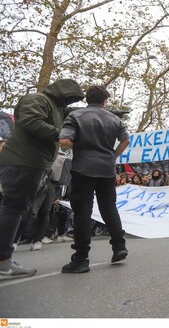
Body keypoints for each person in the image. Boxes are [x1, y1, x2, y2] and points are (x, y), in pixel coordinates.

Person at [0, 78, 84, 280]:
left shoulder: (56, 107)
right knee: (13, 208)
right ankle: (3, 262)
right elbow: (31, 121)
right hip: (23, 161)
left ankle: (4, 260)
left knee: (15, 208)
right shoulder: (38, 99)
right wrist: (61, 135)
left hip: (33, 162)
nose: (70, 102)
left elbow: (74, 116)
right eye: (70, 98)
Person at [58, 85, 130, 274]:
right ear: (105, 101)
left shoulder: (75, 116)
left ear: (87, 100)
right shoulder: (115, 119)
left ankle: (81, 258)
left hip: (83, 168)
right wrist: (113, 156)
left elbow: (65, 141)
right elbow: (126, 140)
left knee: (83, 211)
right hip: (107, 168)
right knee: (109, 207)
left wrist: (77, 145)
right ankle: (119, 246)